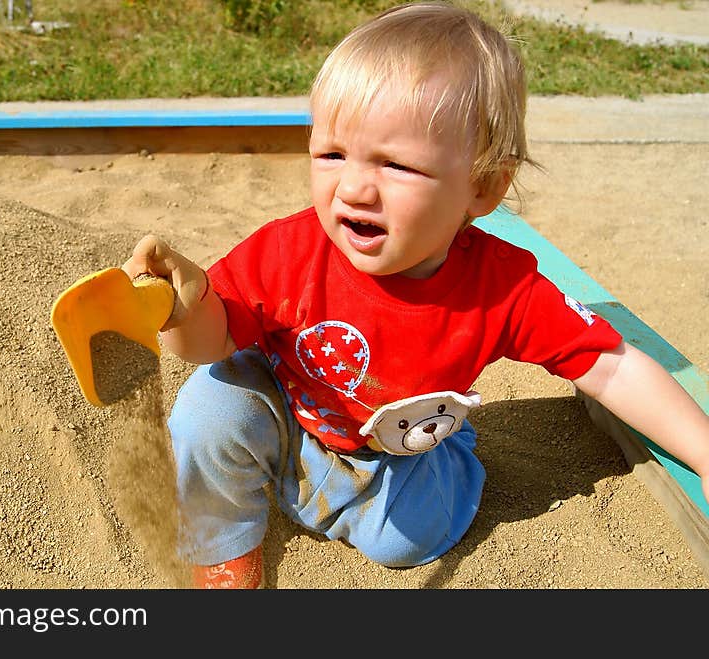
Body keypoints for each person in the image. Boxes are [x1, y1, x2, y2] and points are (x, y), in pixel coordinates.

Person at [121, 1, 709, 589]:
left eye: (396, 166)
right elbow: (211, 341)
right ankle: (224, 546)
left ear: (481, 187)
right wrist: (184, 309)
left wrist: (703, 452)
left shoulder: (501, 288)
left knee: (407, 540)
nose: (353, 188)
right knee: (211, 400)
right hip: (293, 408)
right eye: (331, 154)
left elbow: (609, 367)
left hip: (399, 451)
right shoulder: (292, 252)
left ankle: (398, 477)